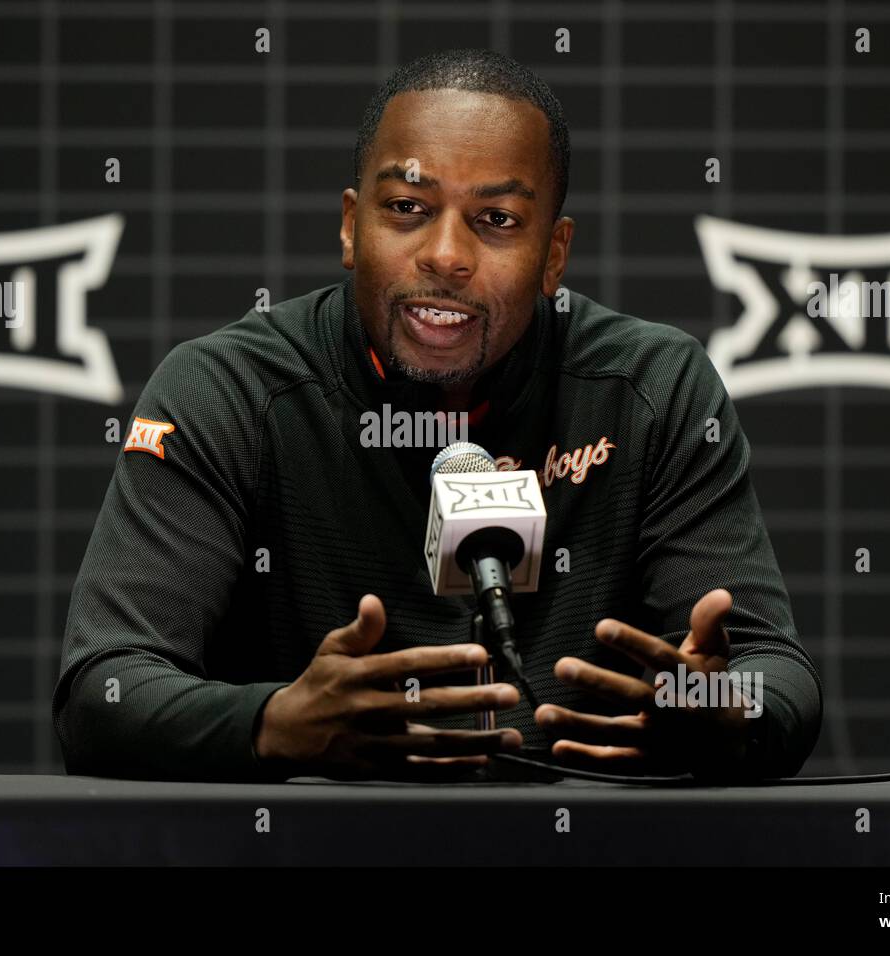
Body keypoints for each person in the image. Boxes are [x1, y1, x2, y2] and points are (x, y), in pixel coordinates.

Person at [53, 48, 822, 783]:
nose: (446, 255)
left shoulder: (653, 389)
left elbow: (779, 676)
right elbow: (104, 688)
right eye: (408, 208)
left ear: (555, 255)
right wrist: (277, 723)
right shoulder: (230, 392)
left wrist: (718, 710)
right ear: (353, 226)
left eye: (496, 221)